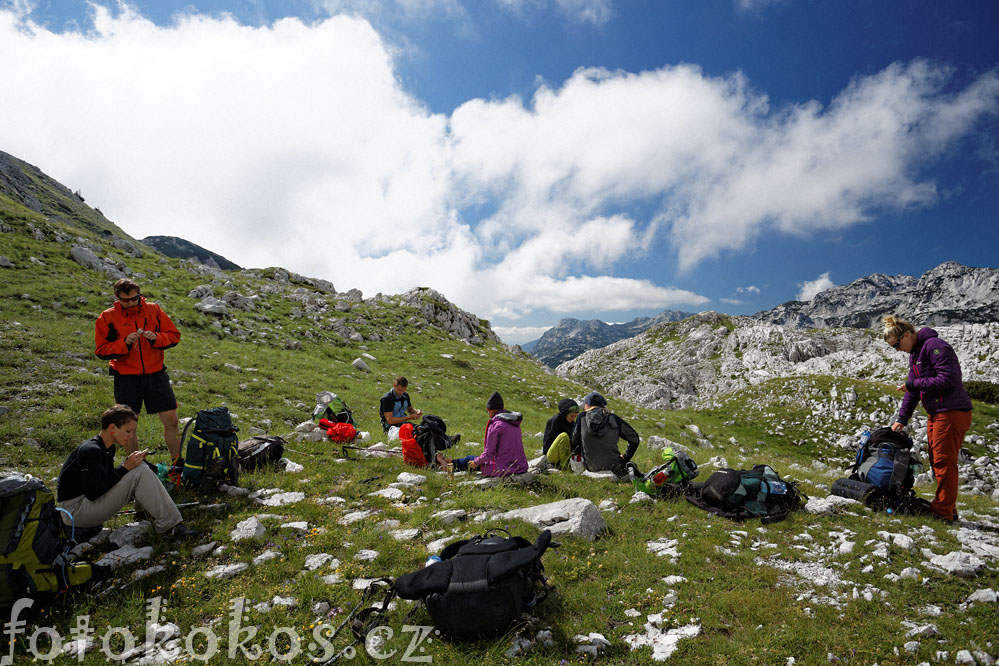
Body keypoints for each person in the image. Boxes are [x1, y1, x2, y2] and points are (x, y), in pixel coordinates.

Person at [57, 405, 197, 538]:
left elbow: (106, 480)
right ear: (112, 428)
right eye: (128, 431)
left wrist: (127, 467)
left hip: (83, 506)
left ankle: (144, 513)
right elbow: (94, 492)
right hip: (74, 513)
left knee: (139, 466)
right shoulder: (91, 451)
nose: (130, 436)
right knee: (139, 471)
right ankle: (169, 526)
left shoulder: (107, 447)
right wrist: (124, 468)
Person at [884, 315, 973, 522]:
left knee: (943, 461)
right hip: (937, 413)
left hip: (951, 411)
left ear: (907, 335)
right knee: (937, 460)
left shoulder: (936, 347)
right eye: (893, 348)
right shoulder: (915, 355)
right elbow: (913, 390)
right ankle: (948, 508)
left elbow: (948, 378)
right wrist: (902, 418)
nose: (897, 349)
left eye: (897, 344)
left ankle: (942, 513)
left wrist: (914, 384)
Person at [94, 278, 182, 463]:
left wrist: (156, 338)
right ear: (117, 298)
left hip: (156, 374)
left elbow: (174, 336)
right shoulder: (107, 317)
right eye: (126, 300)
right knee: (127, 427)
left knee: (172, 420)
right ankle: (137, 466)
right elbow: (101, 350)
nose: (131, 303)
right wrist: (124, 343)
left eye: (135, 299)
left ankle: (177, 464)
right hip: (126, 378)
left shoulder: (154, 310)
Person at [438, 392, 528, 477]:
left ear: (491, 410)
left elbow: (489, 453)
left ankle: (447, 465)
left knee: (469, 460)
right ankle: (449, 461)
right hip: (520, 466)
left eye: (487, 411)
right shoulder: (513, 423)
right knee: (471, 459)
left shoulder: (496, 425)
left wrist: (476, 462)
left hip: (503, 468)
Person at [571, 391, 640, 476]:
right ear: (603, 406)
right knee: (633, 467)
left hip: (590, 466)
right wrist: (625, 457)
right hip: (615, 467)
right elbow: (634, 439)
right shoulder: (613, 418)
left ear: (587, 405)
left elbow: (574, 441)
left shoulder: (581, 417)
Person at [543, 398, 579, 469]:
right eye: (572, 416)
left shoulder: (572, 423)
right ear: (565, 414)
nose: (573, 419)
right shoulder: (555, 421)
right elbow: (548, 442)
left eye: (575, 416)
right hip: (551, 455)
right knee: (564, 436)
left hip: (563, 453)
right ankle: (566, 466)